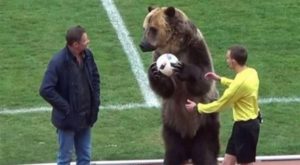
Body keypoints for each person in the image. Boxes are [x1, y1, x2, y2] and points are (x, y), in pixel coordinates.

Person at [185, 45, 260, 165]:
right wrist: (220, 79)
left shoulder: (239, 85)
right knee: (227, 162)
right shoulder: (252, 73)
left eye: (228, 58)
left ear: (234, 61)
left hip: (246, 128)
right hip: (242, 126)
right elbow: (238, 85)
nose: (227, 61)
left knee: (246, 163)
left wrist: (198, 107)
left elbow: (220, 104)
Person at [40, 25, 101, 165]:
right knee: (64, 159)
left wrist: (95, 101)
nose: (88, 41)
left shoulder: (88, 55)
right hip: (67, 120)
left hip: (85, 117)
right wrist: (66, 108)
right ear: (75, 44)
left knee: (85, 158)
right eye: (85, 40)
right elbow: (45, 89)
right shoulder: (58, 62)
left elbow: (95, 78)